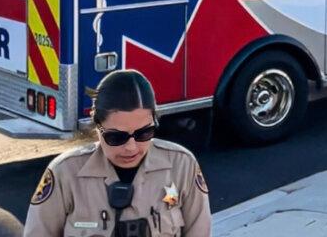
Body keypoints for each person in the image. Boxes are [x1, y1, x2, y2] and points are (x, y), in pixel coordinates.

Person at [24, 70, 211, 236]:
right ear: (98, 127)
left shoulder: (181, 166)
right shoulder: (65, 174)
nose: (131, 147)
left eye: (143, 133)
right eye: (117, 137)